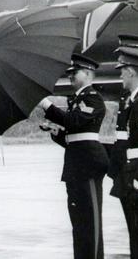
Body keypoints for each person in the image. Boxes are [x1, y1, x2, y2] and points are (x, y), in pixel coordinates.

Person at [38, 54, 109, 259]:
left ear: (87, 73)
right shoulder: (77, 100)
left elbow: (73, 122)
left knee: (91, 223)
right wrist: (54, 131)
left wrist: (46, 105)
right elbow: (72, 137)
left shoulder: (93, 98)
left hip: (88, 165)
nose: (70, 76)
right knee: (79, 224)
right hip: (76, 166)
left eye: (74, 72)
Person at [112, 34, 138, 258]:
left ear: (131, 71)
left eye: (122, 69)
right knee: (136, 238)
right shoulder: (133, 100)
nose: (121, 73)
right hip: (131, 174)